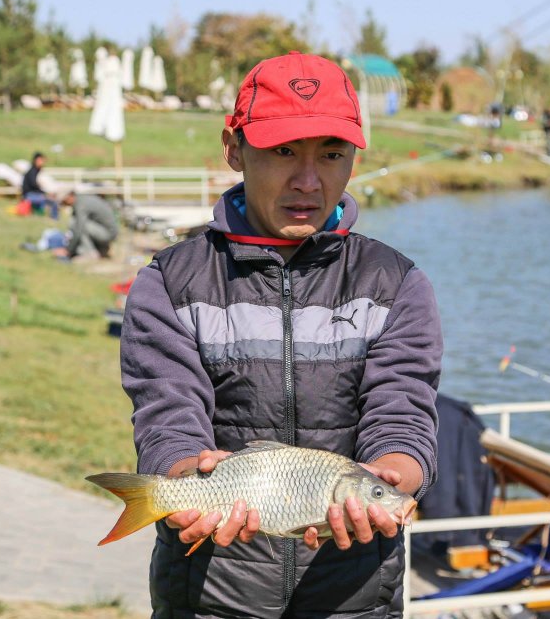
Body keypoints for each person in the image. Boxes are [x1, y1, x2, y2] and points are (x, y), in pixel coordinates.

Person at [120, 51, 442, 618]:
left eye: (332, 153)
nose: (308, 180)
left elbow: (404, 412)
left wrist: (393, 473)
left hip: (356, 596)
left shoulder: (396, 284)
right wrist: (183, 476)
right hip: (209, 593)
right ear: (234, 149)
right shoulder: (169, 282)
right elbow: (167, 417)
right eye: (283, 151)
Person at [55, 189, 119, 259]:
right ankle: (101, 249)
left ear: (69, 197)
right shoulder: (82, 198)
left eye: (64, 202)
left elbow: (78, 229)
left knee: (77, 224)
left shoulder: (80, 204)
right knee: (78, 224)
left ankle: (89, 253)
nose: (64, 204)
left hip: (108, 233)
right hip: (107, 230)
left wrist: (68, 250)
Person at [21, 151, 59, 219]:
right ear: (37, 160)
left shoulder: (36, 171)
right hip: (29, 195)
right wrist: (45, 194)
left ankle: (50, 216)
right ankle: (54, 218)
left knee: (51, 199)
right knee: (53, 201)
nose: (43, 163)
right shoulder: (32, 171)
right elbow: (34, 185)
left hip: (32, 194)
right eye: (42, 160)